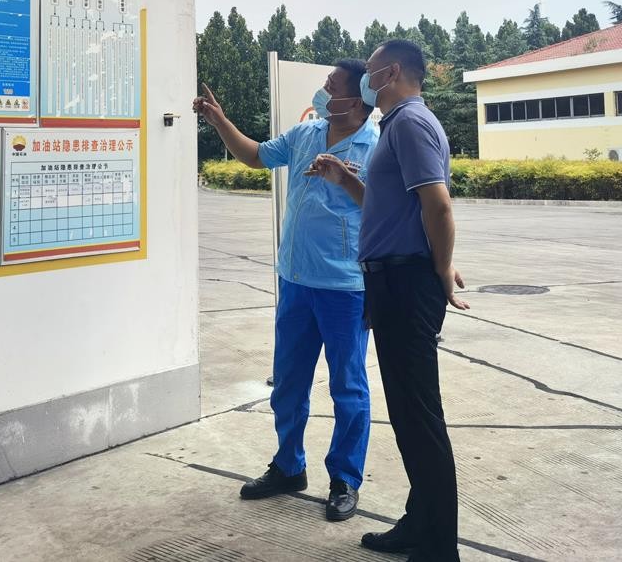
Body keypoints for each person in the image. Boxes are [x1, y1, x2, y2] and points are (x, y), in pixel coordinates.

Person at [193, 59, 378, 522]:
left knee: (348, 387)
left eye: (332, 87)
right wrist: (219, 121)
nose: (323, 92)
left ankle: (345, 479)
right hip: (295, 279)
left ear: (357, 101)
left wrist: (346, 178)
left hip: (345, 287)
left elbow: (385, 209)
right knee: (289, 383)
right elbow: (255, 156)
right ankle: (289, 466)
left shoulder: (376, 145)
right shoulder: (305, 133)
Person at [311, 39, 467, 562]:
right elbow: (388, 206)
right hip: (392, 280)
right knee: (407, 413)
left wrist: (440, 268)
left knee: (419, 416)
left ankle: (439, 547)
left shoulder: (409, 123)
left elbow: (438, 206)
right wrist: (344, 179)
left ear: (391, 72)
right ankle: (420, 523)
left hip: (406, 283)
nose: (364, 79)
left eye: (371, 70)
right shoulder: (398, 125)